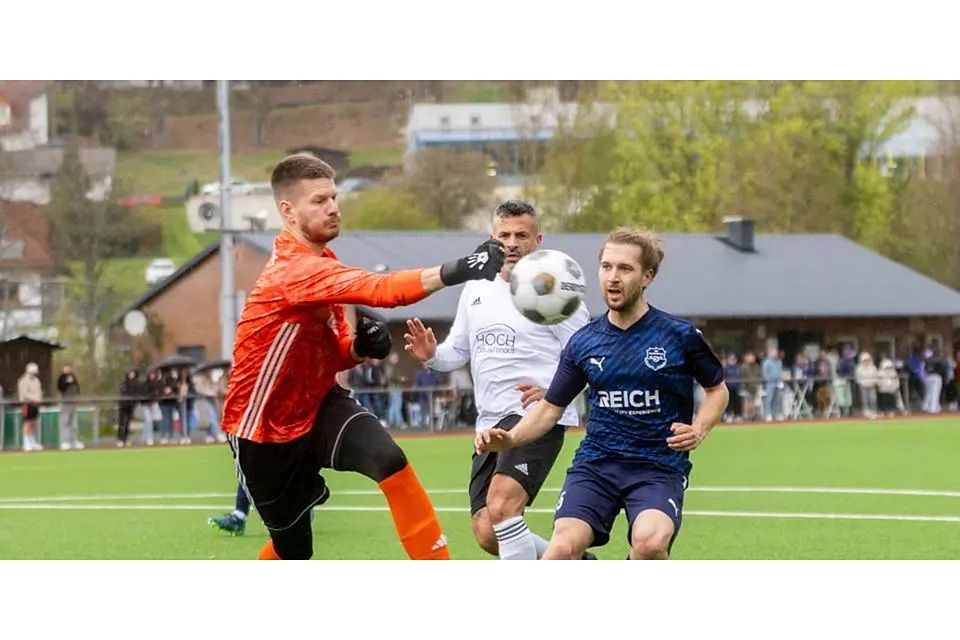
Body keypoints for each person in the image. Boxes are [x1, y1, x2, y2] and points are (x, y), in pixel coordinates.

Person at [219, 154, 505, 560]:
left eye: (334, 197)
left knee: (388, 458)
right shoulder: (293, 272)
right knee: (294, 551)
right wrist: (462, 268)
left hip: (318, 406)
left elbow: (331, 354)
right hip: (262, 432)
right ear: (288, 211)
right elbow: (384, 289)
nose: (333, 207)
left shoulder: (324, 264)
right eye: (319, 200)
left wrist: (356, 351)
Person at [477, 227, 729, 560]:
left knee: (650, 545)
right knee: (562, 550)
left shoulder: (678, 335)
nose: (613, 277)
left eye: (625, 269)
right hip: (597, 465)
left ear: (647, 276)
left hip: (658, 466)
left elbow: (717, 390)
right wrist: (510, 440)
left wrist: (699, 429)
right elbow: (550, 409)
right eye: (606, 267)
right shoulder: (584, 342)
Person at [404, 199, 591, 561]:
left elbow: (589, 357)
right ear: (492, 237)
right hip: (488, 421)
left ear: (538, 240)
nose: (512, 243)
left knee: (504, 506)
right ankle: (577, 562)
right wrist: (431, 356)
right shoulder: (475, 289)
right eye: (504, 234)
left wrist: (556, 391)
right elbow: (456, 353)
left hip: (535, 416)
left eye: (521, 234)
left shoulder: (556, 291)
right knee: (489, 531)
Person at [18, 362, 44, 451]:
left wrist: (39, 397)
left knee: (34, 423)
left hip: (35, 405)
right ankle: (26, 443)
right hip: (27, 404)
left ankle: (32, 441)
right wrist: (34, 398)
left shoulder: (37, 380)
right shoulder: (23, 381)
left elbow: (39, 391)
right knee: (27, 423)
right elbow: (24, 394)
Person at [57, 364, 83, 450]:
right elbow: (60, 387)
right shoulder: (61, 378)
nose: (68, 370)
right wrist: (66, 381)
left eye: (69, 368)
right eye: (66, 368)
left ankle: (74, 441)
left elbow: (77, 388)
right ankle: (65, 441)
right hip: (65, 403)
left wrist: (78, 397)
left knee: (74, 423)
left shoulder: (73, 377)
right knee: (65, 422)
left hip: (73, 403)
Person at [117, 369, 140, 447]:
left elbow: (137, 394)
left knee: (127, 423)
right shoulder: (124, 383)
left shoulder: (136, 383)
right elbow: (122, 392)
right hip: (123, 405)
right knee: (122, 423)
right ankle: (120, 439)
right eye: (130, 373)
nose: (132, 375)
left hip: (130, 405)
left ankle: (125, 439)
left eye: (133, 373)